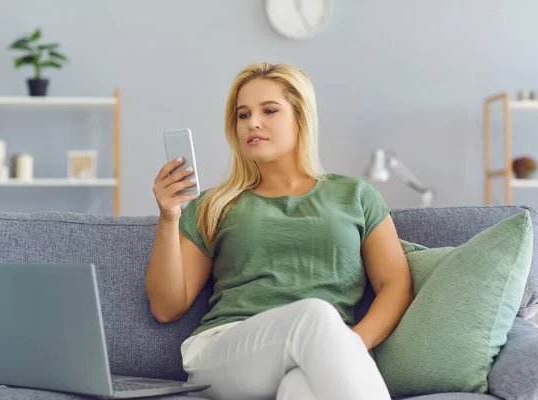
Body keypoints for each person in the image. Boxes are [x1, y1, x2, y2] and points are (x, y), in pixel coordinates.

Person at [146, 62, 414, 400]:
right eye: (243, 115)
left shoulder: (356, 195)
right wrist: (169, 216)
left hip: (319, 352)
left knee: (301, 387)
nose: (252, 123)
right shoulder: (215, 204)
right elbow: (166, 307)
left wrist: (348, 345)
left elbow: (396, 285)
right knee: (314, 313)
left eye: (269, 110)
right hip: (226, 352)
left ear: (301, 116)